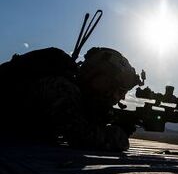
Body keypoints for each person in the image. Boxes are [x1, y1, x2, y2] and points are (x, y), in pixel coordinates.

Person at [0, 47, 142, 152]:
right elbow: (82, 138)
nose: (121, 97)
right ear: (101, 80)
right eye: (120, 90)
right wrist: (119, 133)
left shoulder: (75, 93)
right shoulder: (62, 87)